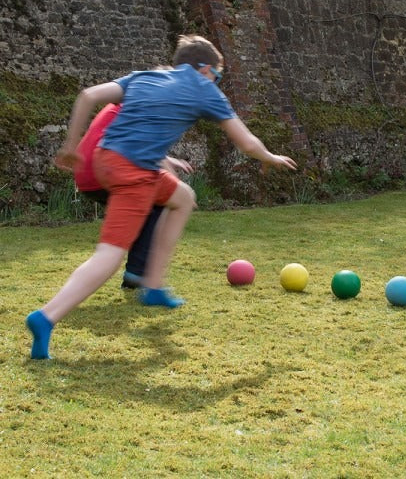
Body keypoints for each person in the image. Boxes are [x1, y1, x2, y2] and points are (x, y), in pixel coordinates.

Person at [26, 34, 297, 359]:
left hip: (107, 159)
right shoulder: (202, 87)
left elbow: (88, 95)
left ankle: (153, 286)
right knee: (109, 255)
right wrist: (270, 157)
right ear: (203, 68)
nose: (217, 82)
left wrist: (71, 147)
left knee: (182, 197)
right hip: (133, 172)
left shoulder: (146, 76)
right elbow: (246, 143)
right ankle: (46, 317)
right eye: (218, 76)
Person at [74, 102, 192, 289]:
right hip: (105, 170)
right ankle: (136, 273)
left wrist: (169, 160)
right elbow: (148, 148)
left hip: (85, 173)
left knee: (146, 208)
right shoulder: (144, 108)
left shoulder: (118, 106)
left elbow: (117, 138)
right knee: (160, 201)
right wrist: (176, 186)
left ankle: (134, 271)